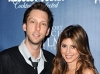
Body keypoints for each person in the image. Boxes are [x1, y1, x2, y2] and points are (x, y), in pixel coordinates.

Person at [0, 2, 55, 74]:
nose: (37, 28)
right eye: (33, 22)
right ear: (24, 26)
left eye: (43, 24)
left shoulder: (53, 62)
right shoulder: (4, 60)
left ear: (47, 31)